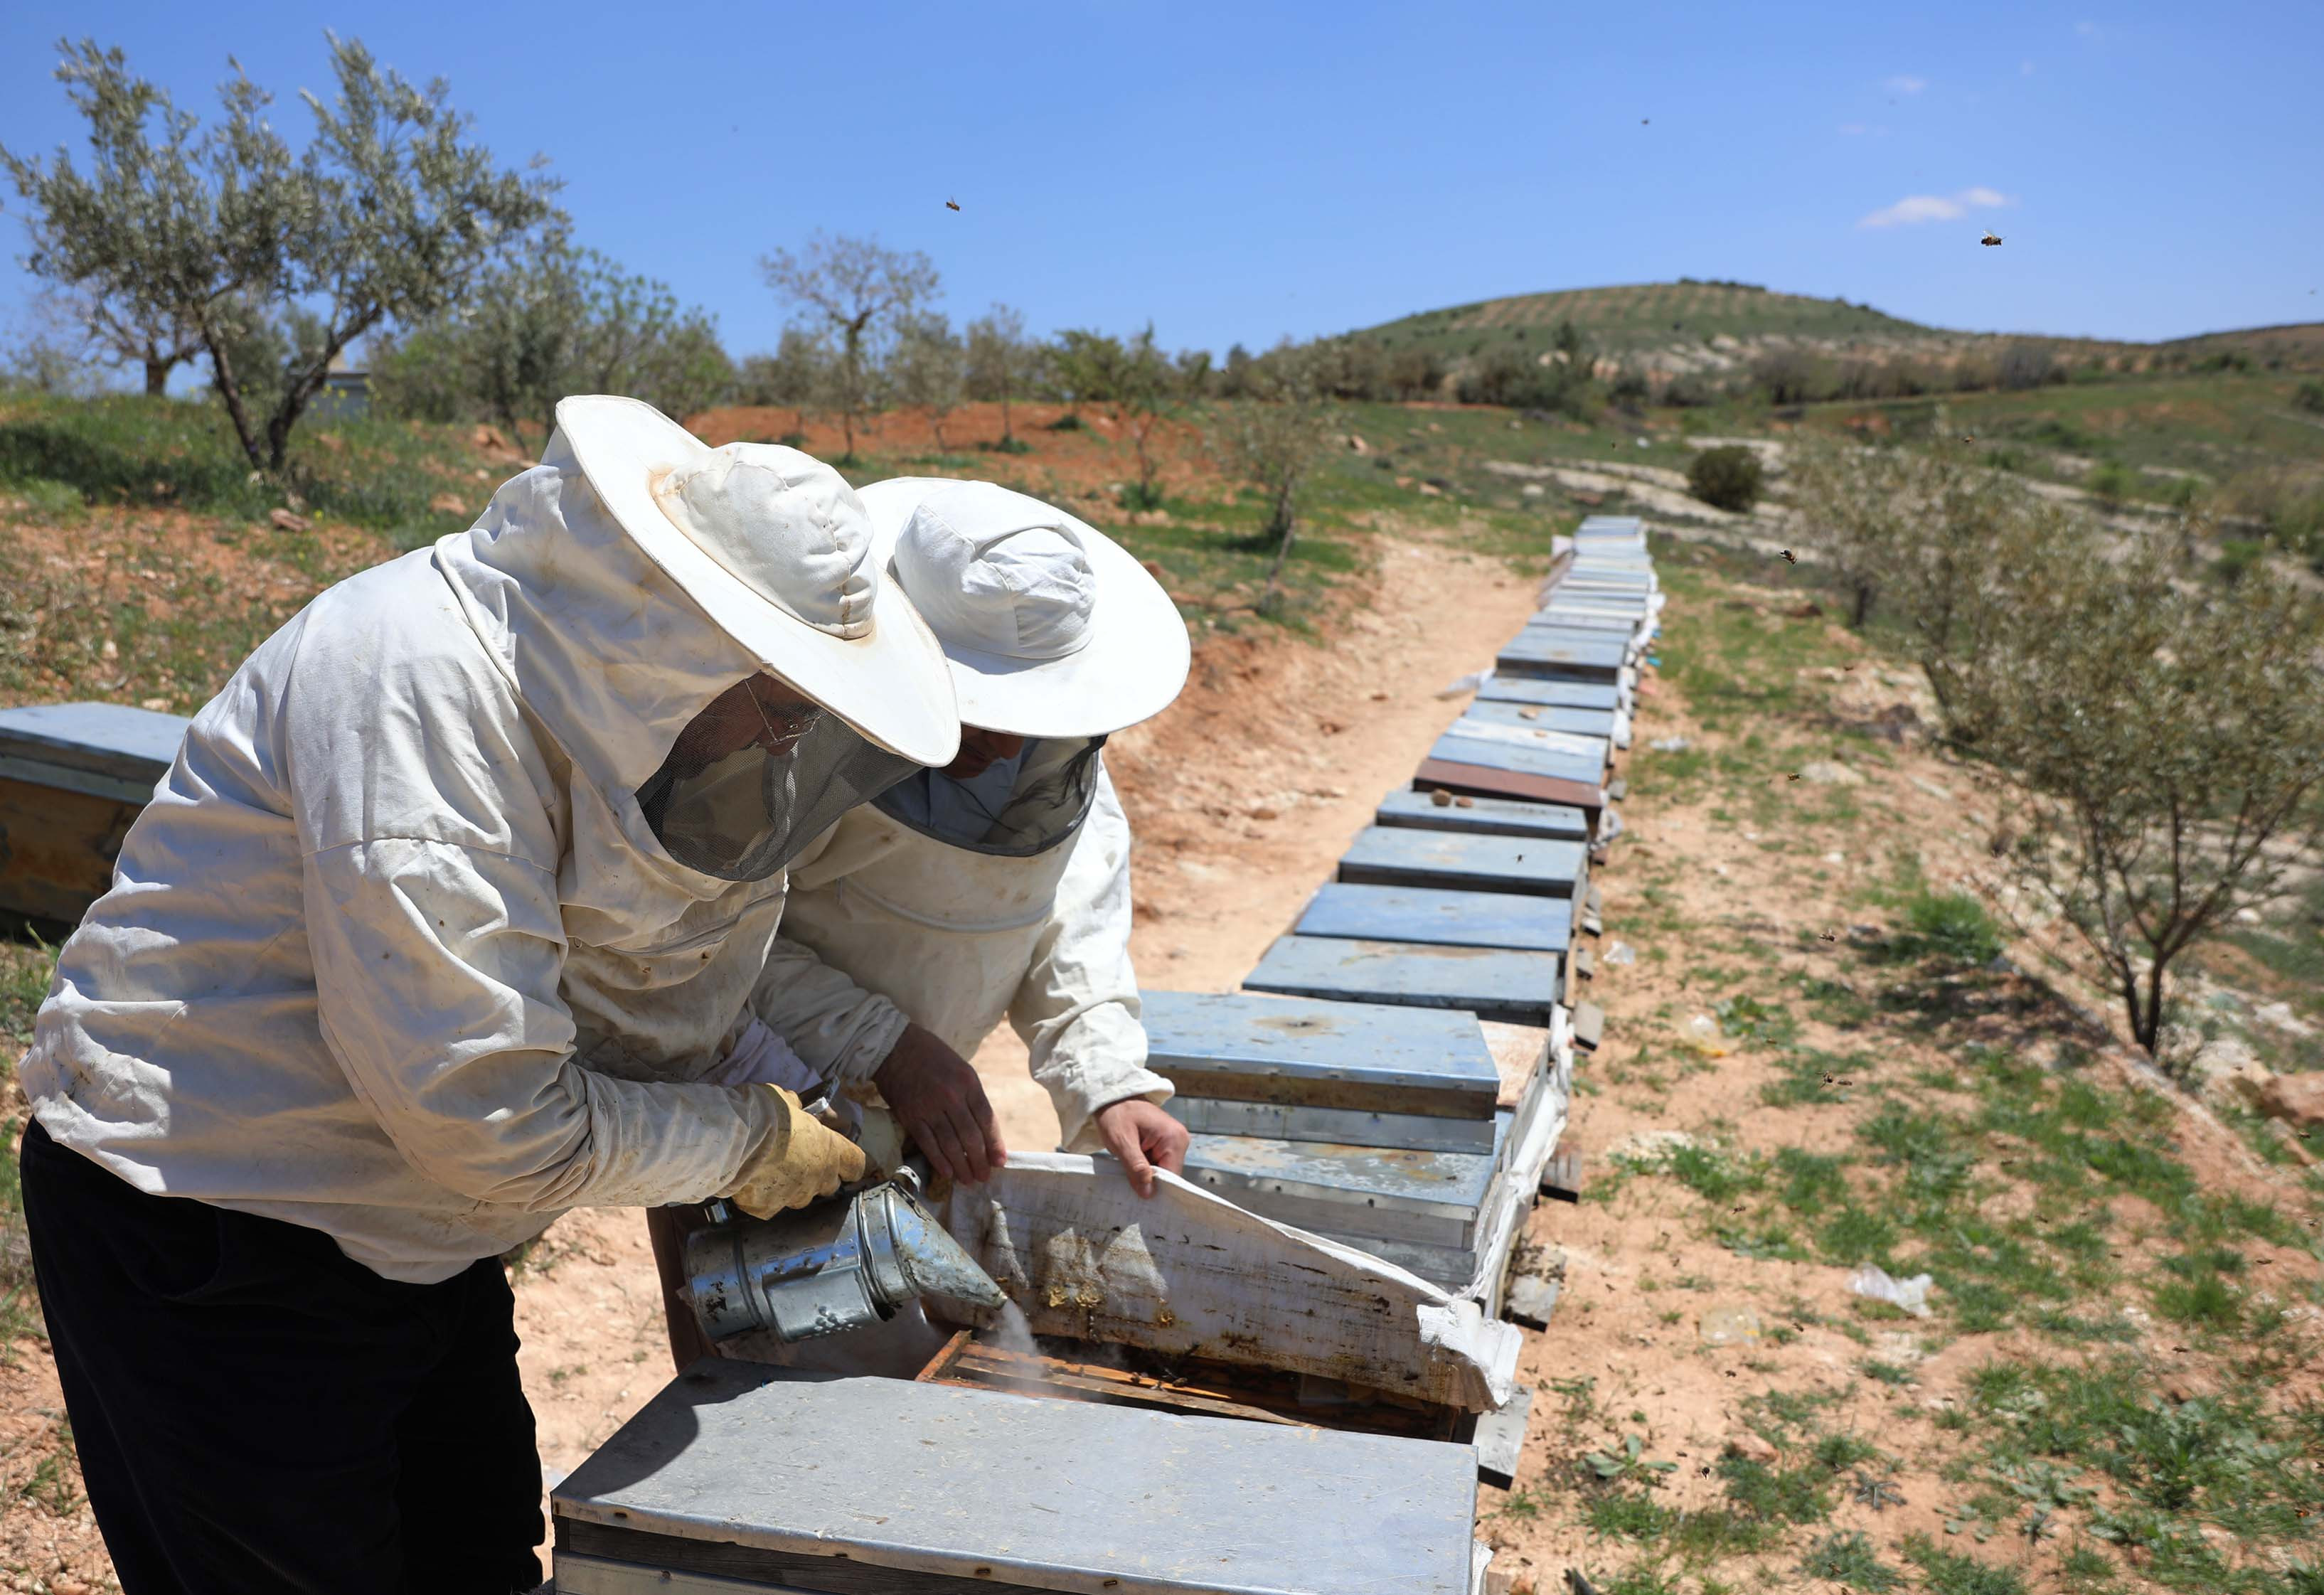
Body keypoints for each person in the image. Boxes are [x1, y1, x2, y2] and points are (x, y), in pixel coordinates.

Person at [14, 396, 960, 1595]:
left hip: (413, 1230)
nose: (785, 745)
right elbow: (493, 1128)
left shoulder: (605, 708)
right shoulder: (415, 691)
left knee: (478, 1560)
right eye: (781, 707)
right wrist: (746, 1137)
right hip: (212, 1220)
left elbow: (665, 953)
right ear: (677, 643)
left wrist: (765, 1079)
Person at [648, 477, 1193, 1370]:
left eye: (1033, 707)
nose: (1012, 743)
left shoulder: (1061, 767)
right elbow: (694, 939)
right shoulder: (778, 738)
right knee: (760, 1400)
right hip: (750, 1111)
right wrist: (887, 1047)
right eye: (989, 705)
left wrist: (1107, 1080)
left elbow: (1065, 916)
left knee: (900, 1402)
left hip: (911, 1119)